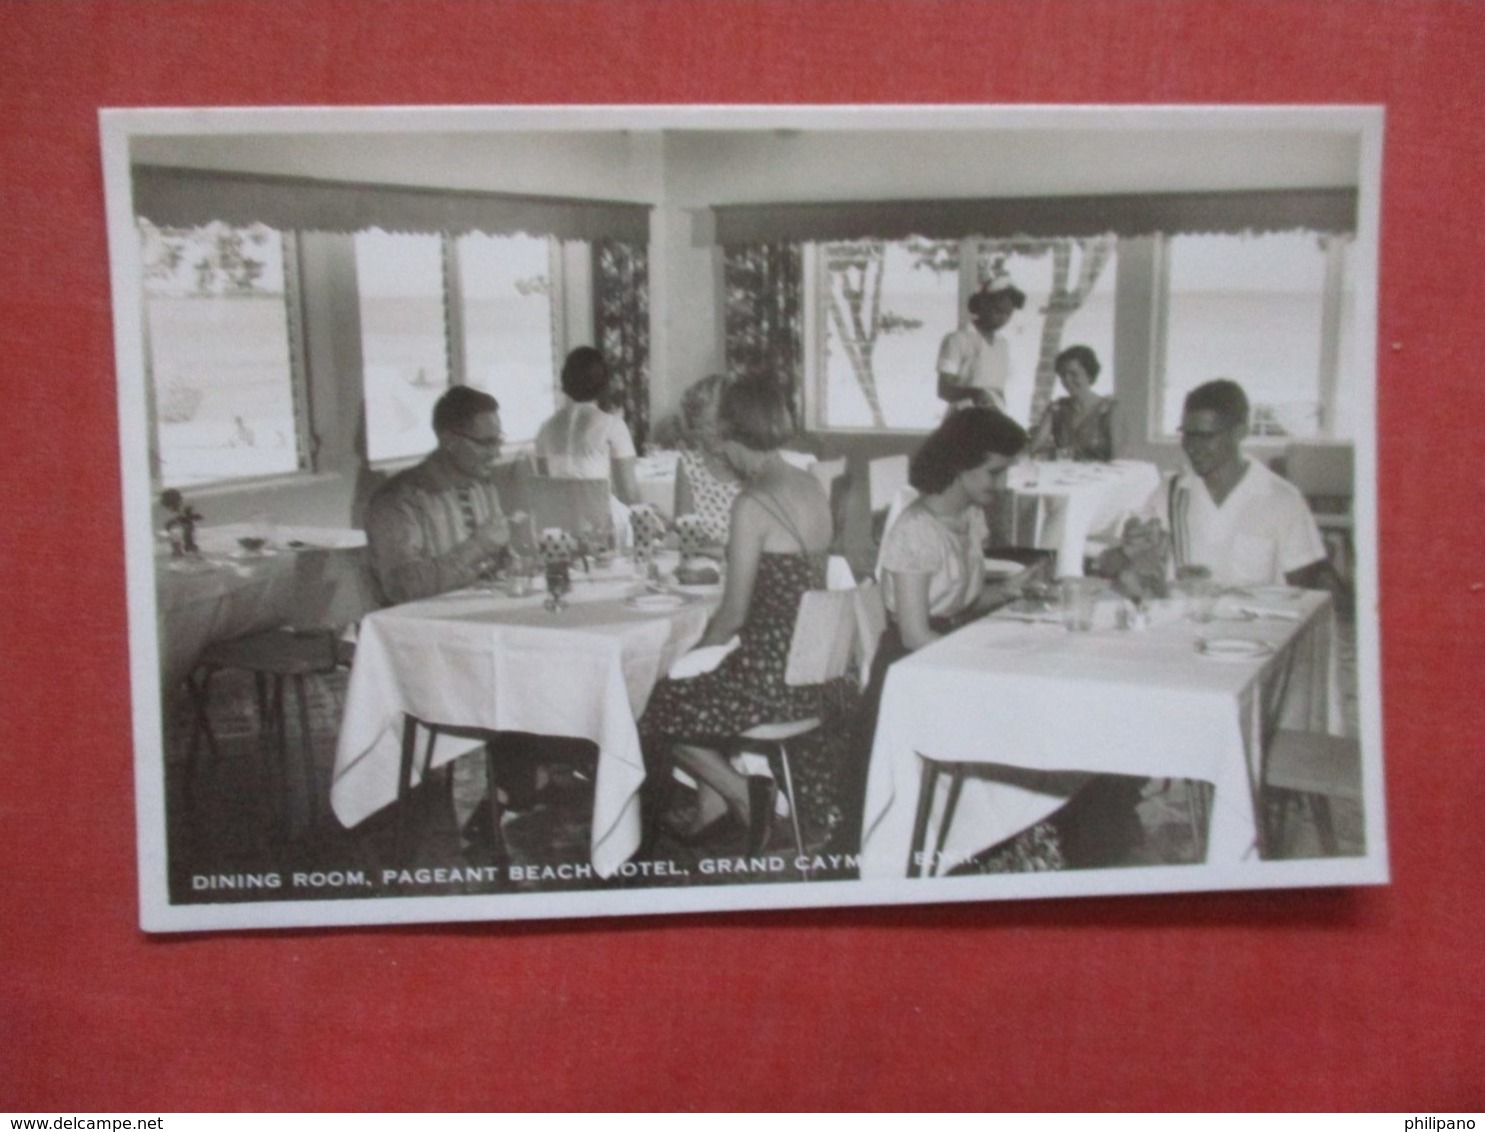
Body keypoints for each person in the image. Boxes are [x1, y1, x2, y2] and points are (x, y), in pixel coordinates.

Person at [640, 380, 845, 852]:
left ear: (730, 434)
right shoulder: (808, 483)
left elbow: (733, 615)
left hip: (772, 679)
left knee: (652, 702)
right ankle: (712, 807)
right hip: (817, 668)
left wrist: (689, 654)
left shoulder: (752, 503)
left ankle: (742, 797)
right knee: (692, 682)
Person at [1103, 379, 1330, 590]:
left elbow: (1307, 593)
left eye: (1206, 436)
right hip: (1184, 625)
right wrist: (1128, 550)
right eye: (1188, 434)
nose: (1192, 447)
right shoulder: (1171, 492)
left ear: (1240, 432)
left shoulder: (1282, 499)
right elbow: (1111, 567)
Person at [364, 385, 511, 606]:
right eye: (486, 443)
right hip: (422, 629)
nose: (497, 452)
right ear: (450, 440)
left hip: (478, 614)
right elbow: (403, 587)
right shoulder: (398, 501)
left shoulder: (482, 486)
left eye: (498, 440)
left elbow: (495, 564)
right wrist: (478, 547)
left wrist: (512, 561)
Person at [534, 345, 640, 505]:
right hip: (602, 525)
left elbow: (546, 491)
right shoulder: (613, 426)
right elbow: (629, 494)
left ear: (565, 380)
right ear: (604, 382)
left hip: (558, 525)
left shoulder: (545, 429)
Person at [671, 373, 743, 547]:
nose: (709, 433)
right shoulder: (689, 465)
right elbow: (685, 534)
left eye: (714, 424)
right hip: (700, 566)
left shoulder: (750, 465)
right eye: (701, 426)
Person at [936, 277, 1026, 414]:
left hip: (995, 416)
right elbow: (944, 390)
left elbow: (999, 389)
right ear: (983, 305)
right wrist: (976, 394)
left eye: (1008, 313)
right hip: (964, 418)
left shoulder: (1002, 344)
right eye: (998, 310)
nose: (1002, 318)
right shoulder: (957, 340)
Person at [1028, 344, 1120, 462]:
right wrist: (1054, 455)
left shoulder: (1110, 410)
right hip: (1062, 477)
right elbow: (1034, 450)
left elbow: (1119, 458)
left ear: (1089, 375)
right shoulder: (1056, 409)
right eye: (1062, 375)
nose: (1067, 380)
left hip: (1101, 478)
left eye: (1073, 374)